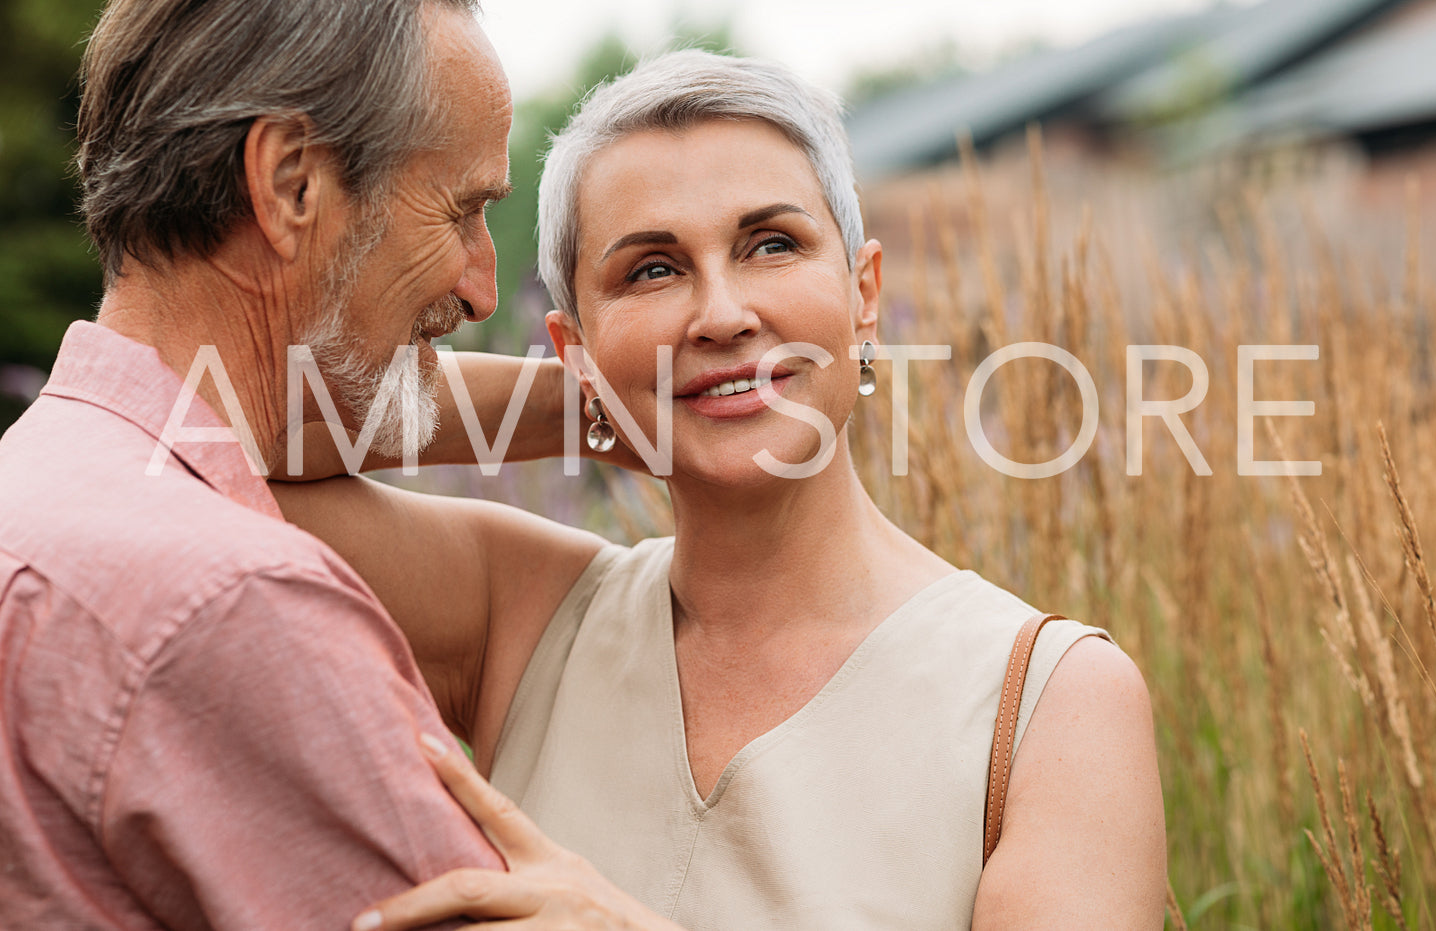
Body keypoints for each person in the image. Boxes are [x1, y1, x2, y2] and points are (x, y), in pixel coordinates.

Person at [275, 50, 1167, 930]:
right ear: (570, 339)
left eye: (771, 244)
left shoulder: (1050, 701)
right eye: (652, 270)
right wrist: (596, 399)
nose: (721, 314)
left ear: (864, 296)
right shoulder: (521, 613)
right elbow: (199, 422)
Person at [0, 0, 668, 928]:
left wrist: (616, 412)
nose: (485, 286)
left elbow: (292, 416)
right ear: (292, 183)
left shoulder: (48, 487)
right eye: (459, 212)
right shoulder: (238, 604)